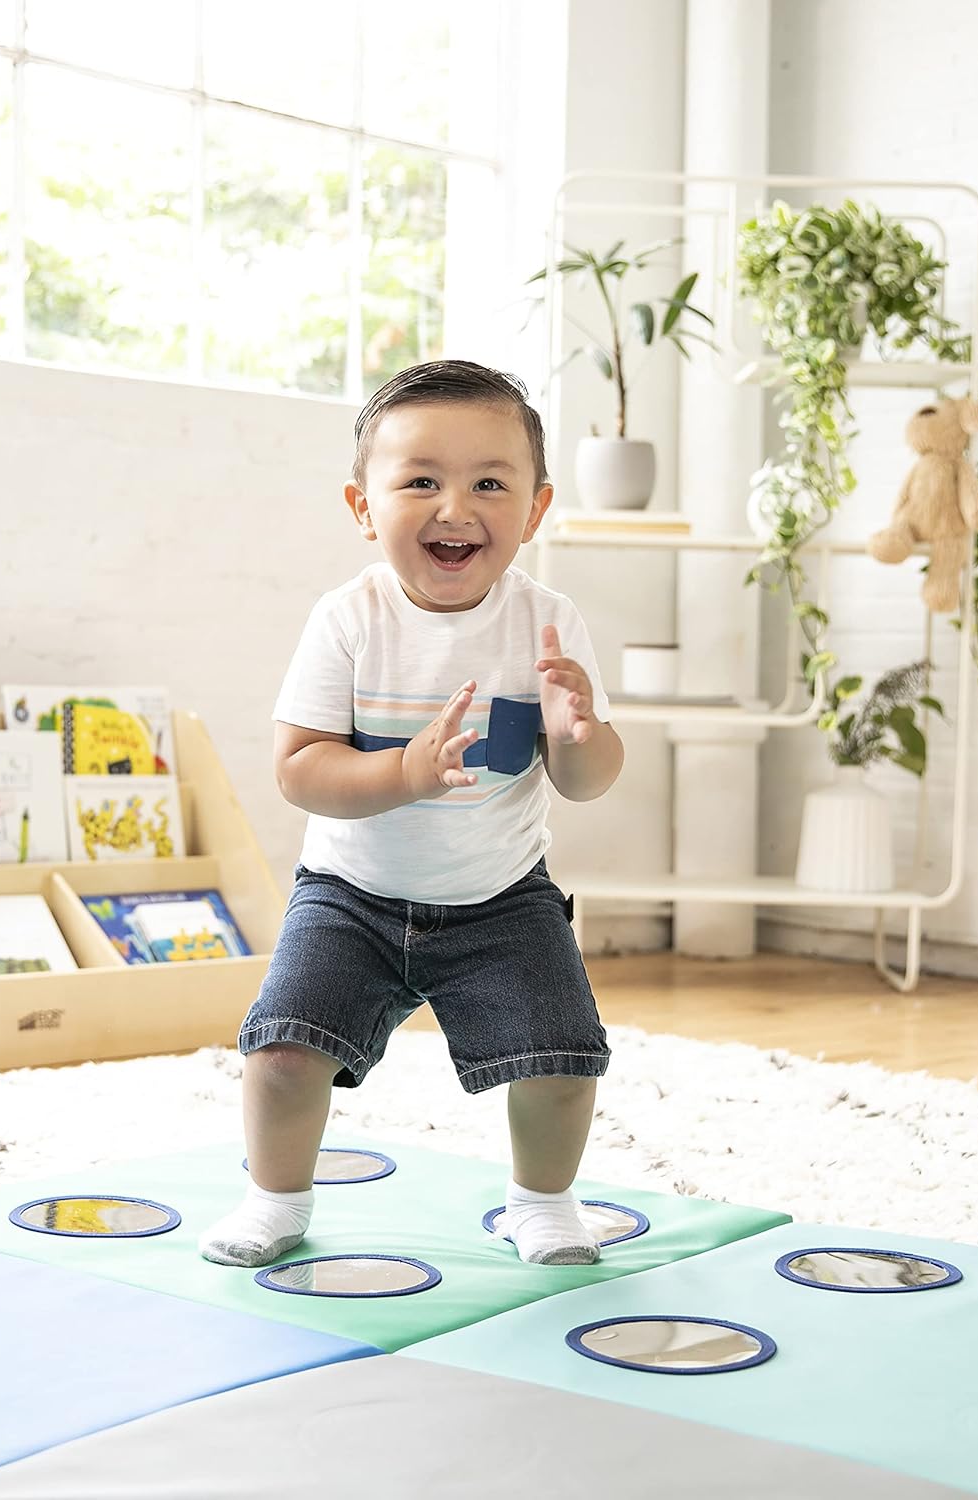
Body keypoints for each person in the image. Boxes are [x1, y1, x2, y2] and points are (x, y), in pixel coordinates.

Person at [199, 359, 624, 1268]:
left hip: (503, 898)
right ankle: (276, 1199)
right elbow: (300, 768)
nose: (454, 507)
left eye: (488, 483)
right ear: (363, 506)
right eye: (421, 480)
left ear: (536, 509)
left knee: (562, 1059)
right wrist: (404, 772)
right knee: (282, 1051)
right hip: (351, 894)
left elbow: (584, 781)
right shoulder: (348, 620)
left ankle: (542, 1203)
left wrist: (582, 731)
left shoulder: (547, 623)